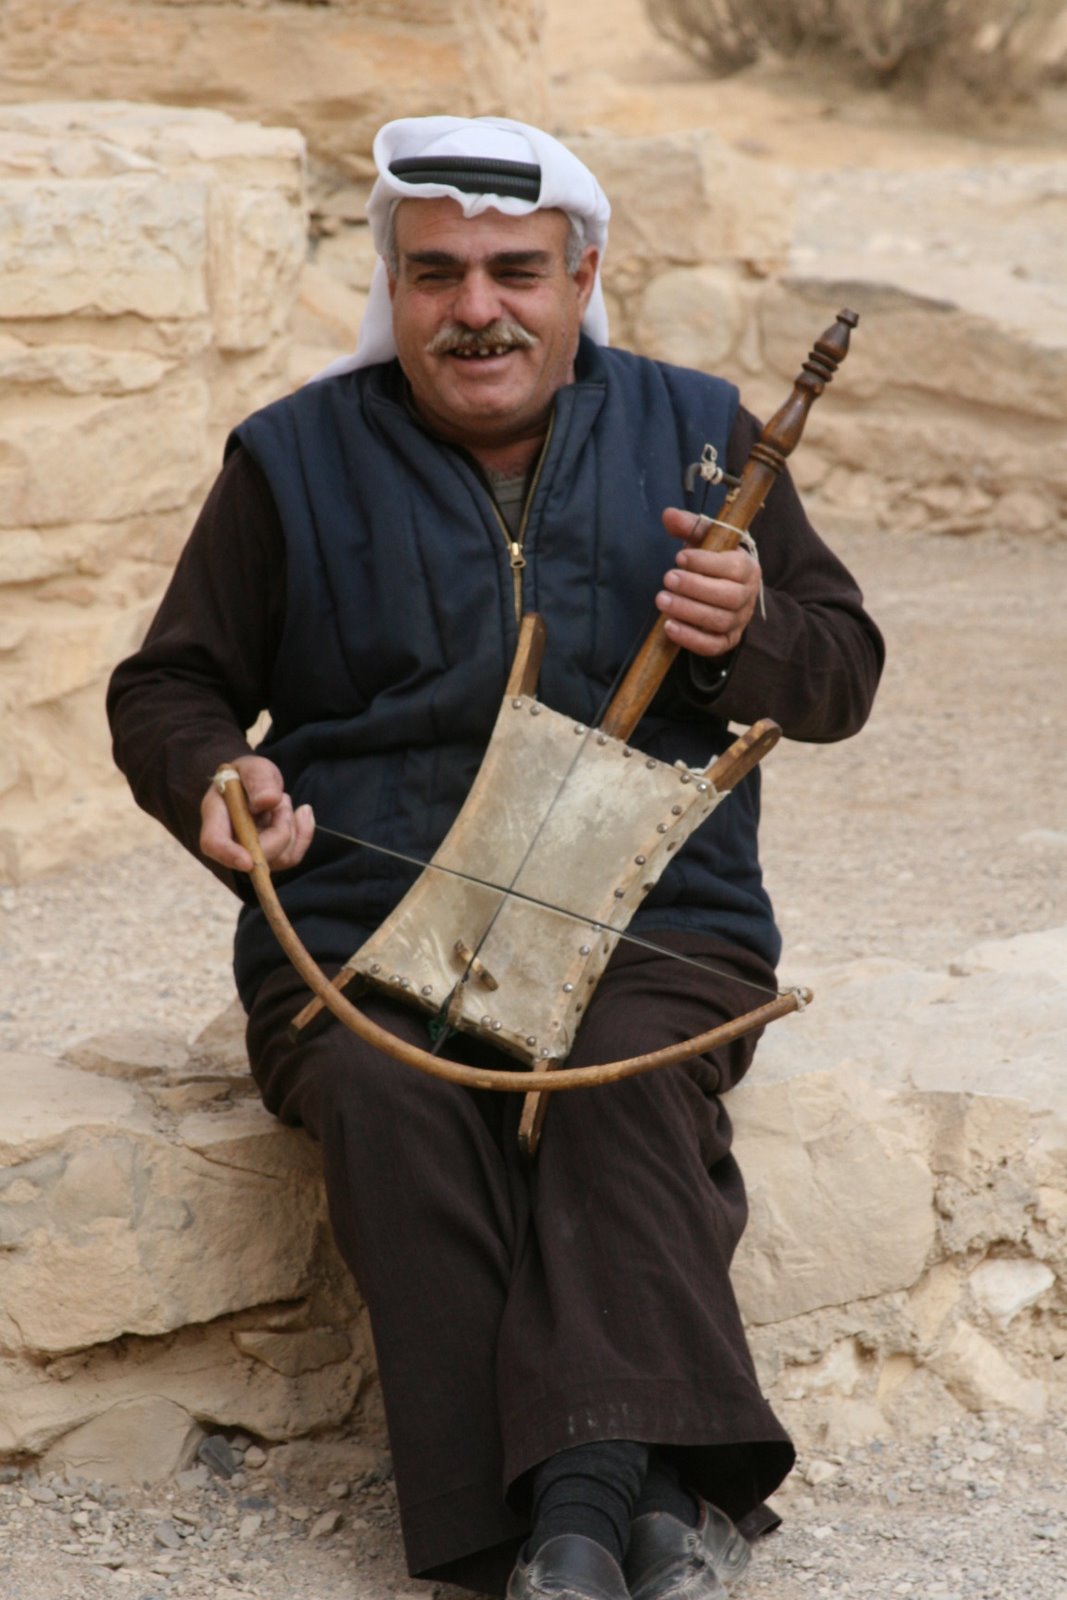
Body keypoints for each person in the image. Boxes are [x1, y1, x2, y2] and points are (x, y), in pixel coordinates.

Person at [108, 115, 884, 1600]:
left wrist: (757, 632)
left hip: (654, 920)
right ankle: (605, 1518)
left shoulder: (701, 432)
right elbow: (170, 686)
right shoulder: (289, 457)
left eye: (516, 271)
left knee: (621, 1089)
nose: (478, 308)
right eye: (438, 273)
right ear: (392, 285)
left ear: (582, 274)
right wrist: (218, 776)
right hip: (362, 923)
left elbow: (842, 671)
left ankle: (574, 1524)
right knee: (392, 1100)